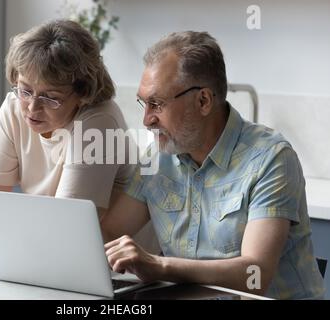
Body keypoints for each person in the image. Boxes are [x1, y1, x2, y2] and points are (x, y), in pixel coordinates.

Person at [100, 31, 325, 299]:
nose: (147, 120)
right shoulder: (156, 159)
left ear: (203, 100)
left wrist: (160, 266)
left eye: (156, 104)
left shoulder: (271, 158)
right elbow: (109, 231)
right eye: (144, 103)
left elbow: (256, 274)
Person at [0, 20, 134, 250]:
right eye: (25, 90)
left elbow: (65, 223)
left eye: (50, 97)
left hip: (121, 265)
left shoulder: (99, 121)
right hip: (60, 251)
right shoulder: (15, 106)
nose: (32, 108)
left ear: (83, 93)